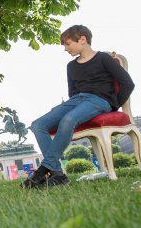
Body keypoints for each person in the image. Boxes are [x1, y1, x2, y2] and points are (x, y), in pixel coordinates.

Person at [27, 25, 135, 189]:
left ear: (82, 40)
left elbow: (128, 83)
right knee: (38, 124)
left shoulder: (104, 58)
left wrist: (113, 105)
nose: (65, 48)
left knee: (68, 120)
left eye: (68, 44)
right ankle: (57, 173)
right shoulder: (71, 66)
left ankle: (43, 170)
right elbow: (73, 93)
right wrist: (76, 106)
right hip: (77, 100)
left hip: (99, 100)